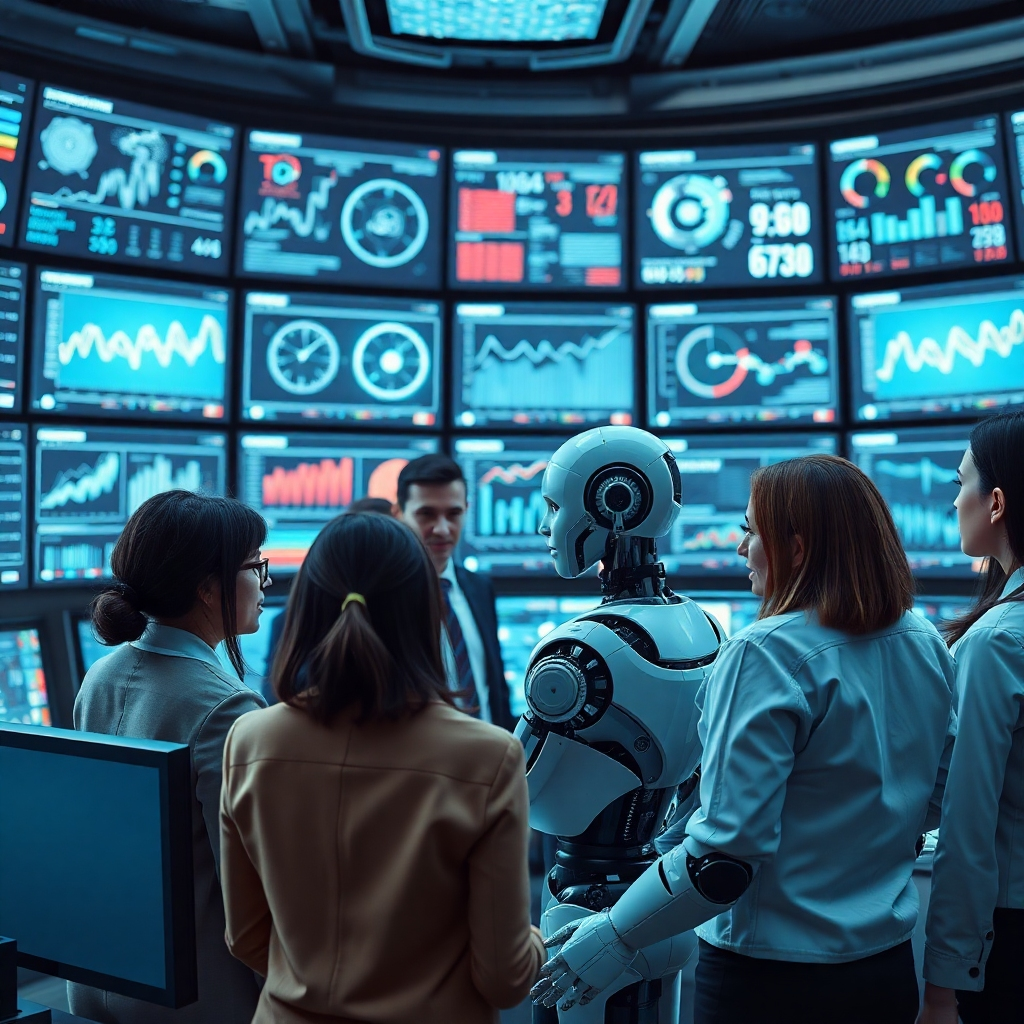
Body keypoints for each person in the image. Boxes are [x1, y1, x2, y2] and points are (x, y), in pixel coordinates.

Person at [533, 455, 956, 1024]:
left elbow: (723, 861)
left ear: (797, 548)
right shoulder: (922, 637)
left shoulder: (765, 652)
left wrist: (614, 936)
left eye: (750, 532)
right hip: (883, 971)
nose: (741, 550)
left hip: (770, 981)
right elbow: (935, 791)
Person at [219, 512, 544, 1023]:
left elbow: (246, 937)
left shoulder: (250, 739)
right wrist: (536, 942)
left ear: (307, 609)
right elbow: (503, 979)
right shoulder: (489, 757)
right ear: (424, 613)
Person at [69, 490, 271, 1024]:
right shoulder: (227, 708)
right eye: (256, 566)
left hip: (98, 980)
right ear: (208, 588)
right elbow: (250, 892)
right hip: (201, 997)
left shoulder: (101, 675)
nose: (265, 582)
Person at [919, 411, 1024, 1024]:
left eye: (961, 483)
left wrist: (942, 986)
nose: (954, 500)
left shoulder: (1000, 642)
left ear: (997, 502)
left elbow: (969, 824)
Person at [396, 453, 514, 728]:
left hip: (490, 759)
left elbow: (493, 687)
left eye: (453, 514)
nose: (442, 528)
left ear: (466, 509)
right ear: (398, 513)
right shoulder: (386, 596)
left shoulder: (479, 587)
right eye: (426, 514)